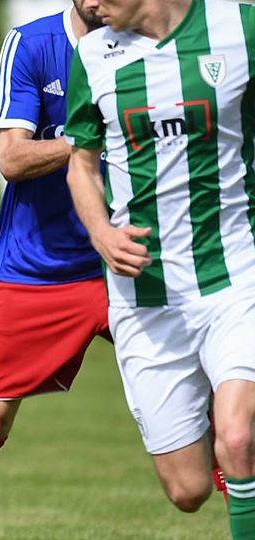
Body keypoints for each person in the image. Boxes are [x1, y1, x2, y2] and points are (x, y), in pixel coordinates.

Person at [64, 0, 255, 537]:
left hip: (236, 274)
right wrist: (101, 233)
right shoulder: (93, 55)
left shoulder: (241, 27)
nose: (88, 5)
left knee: (238, 437)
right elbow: (81, 164)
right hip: (145, 296)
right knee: (187, 489)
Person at [0, 2, 110, 538]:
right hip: (39, 267)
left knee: (220, 401)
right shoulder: (33, 44)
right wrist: (87, 137)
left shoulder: (154, 47)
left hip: (128, 259)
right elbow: (12, 159)